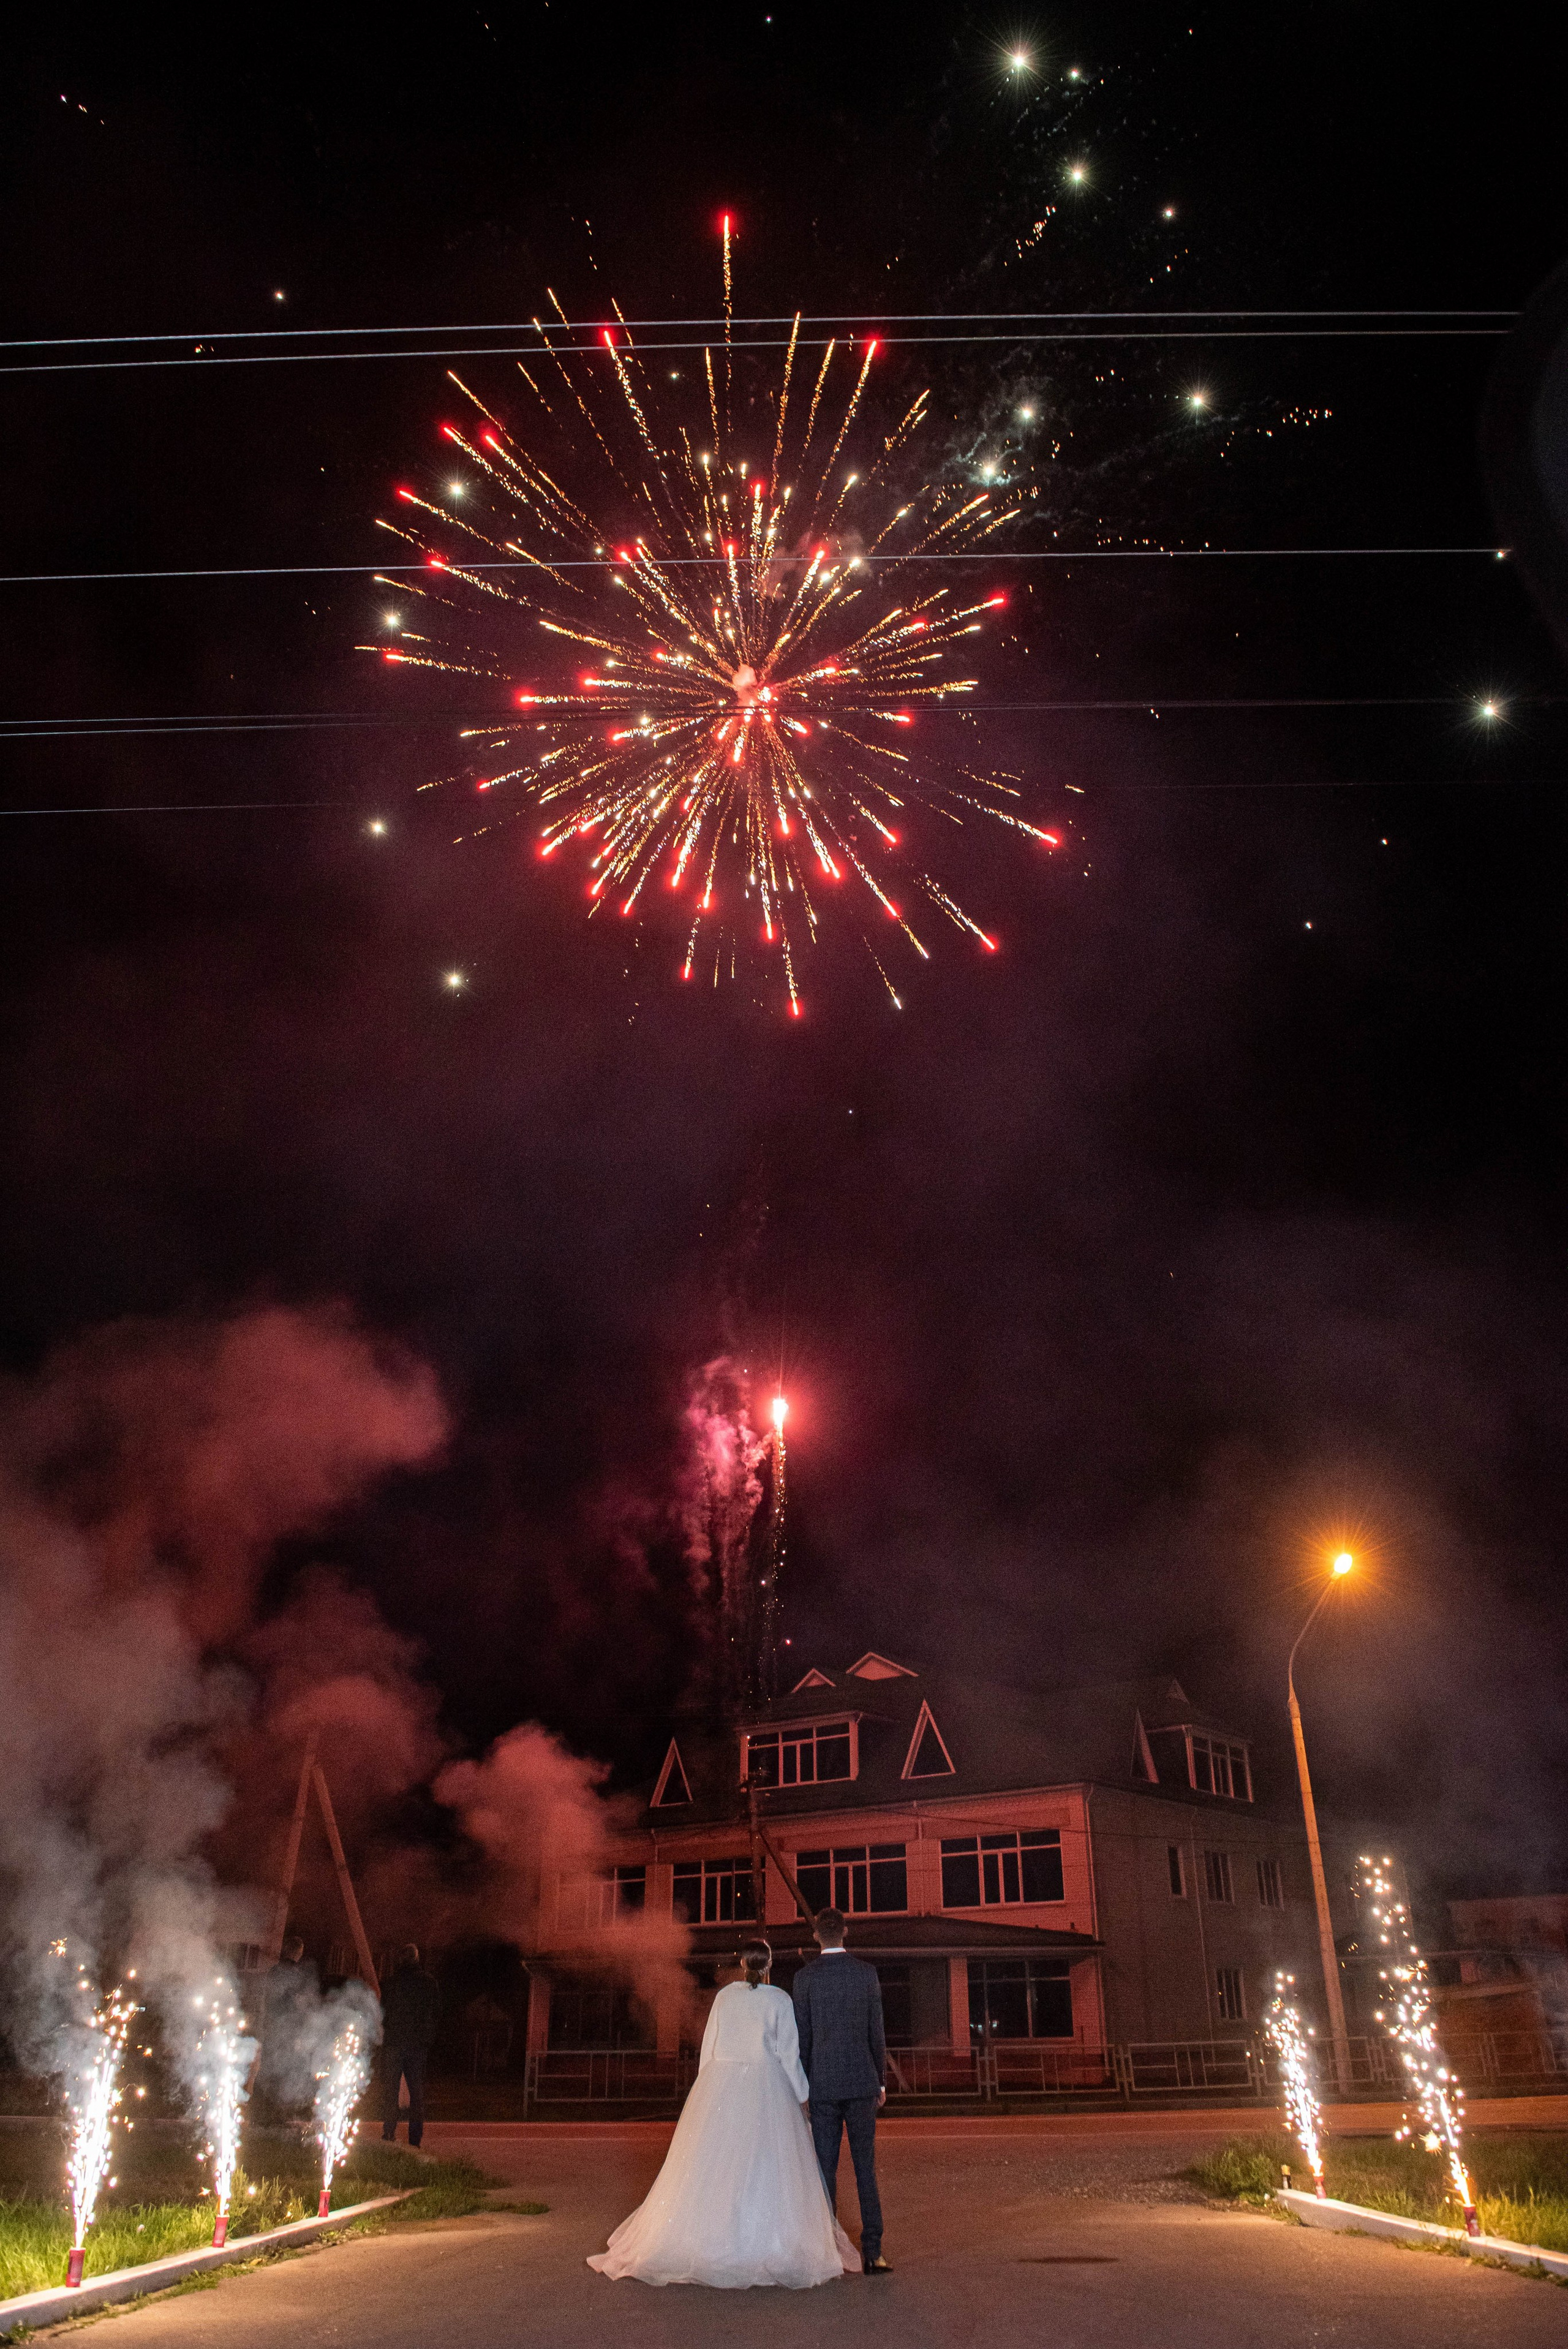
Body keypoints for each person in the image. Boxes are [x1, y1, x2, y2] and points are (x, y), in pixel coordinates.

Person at [588, 1942, 858, 2288]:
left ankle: (710, 2237)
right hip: (767, 2085)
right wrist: (802, 2094)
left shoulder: (725, 1998)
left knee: (716, 2163)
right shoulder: (779, 2000)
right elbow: (789, 2055)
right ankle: (766, 2240)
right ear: (769, 1964)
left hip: (723, 2082)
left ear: (742, 1963)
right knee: (765, 2162)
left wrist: (706, 2089)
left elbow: (710, 2045)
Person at [793, 1908, 891, 2274]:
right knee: (865, 2167)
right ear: (845, 1932)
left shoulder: (804, 1979)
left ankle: (827, 2251)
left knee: (825, 2169)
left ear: (816, 1936)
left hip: (822, 2086)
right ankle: (874, 2253)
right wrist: (880, 2080)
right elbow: (876, 2033)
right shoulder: (866, 1973)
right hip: (862, 2082)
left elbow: (803, 2039)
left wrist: (803, 2088)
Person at [380, 1944, 441, 2150]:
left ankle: (389, 2131)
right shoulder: (429, 1983)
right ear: (417, 1959)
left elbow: (383, 2013)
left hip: (394, 2043)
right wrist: (428, 2037)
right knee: (417, 2093)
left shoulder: (390, 1984)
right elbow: (436, 2012)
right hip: (417, 2045)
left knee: (391, 2090)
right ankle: (415, 2138)